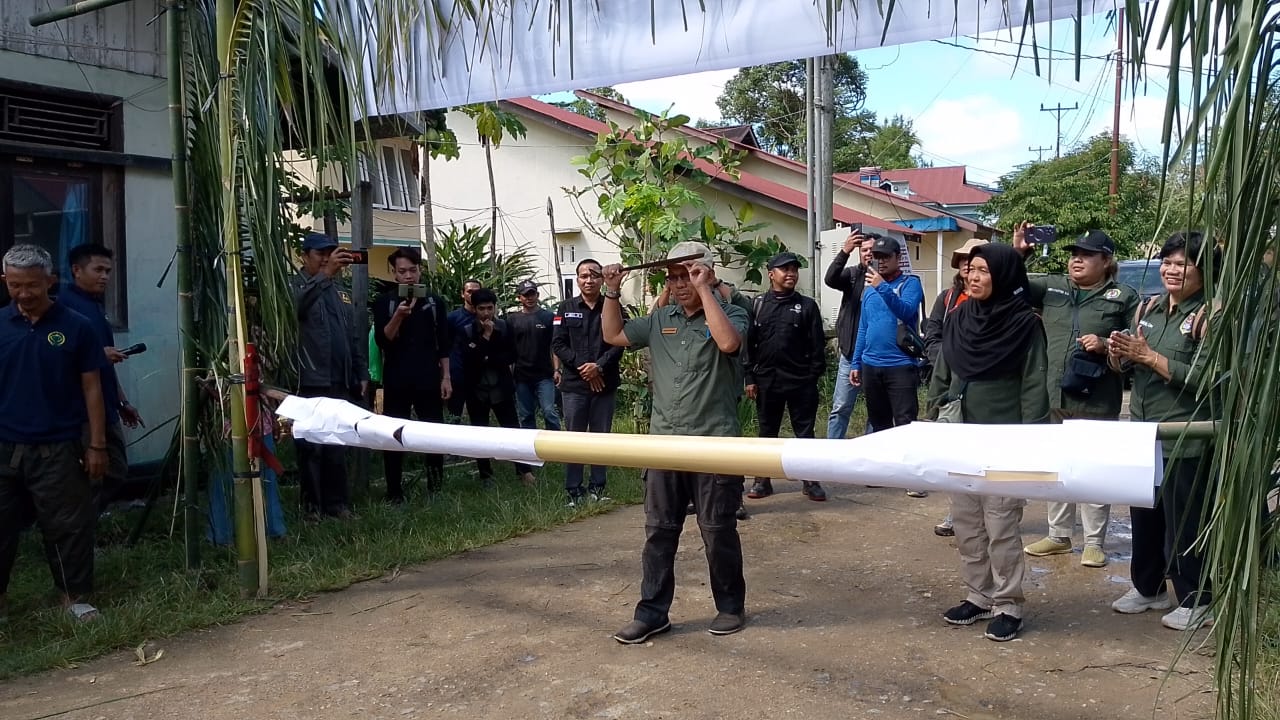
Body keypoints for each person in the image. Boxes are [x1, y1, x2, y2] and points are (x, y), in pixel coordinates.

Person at [601, 241, 751, 643]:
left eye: (689, 274)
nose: (681, 283)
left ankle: (730, 607)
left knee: (717, 529)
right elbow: (613, 334)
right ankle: (652, 613)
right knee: (659, 531)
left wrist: (705, 291)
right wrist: (612, 290)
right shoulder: (660, 319)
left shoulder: (732, 312)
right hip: (664, 443)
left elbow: (729, 344)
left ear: (708, 273)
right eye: (674, 277)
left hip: (715, 444)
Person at [927, 242, 1049, 642]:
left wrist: (1031, 439)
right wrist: (935, 409)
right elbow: (944, 368)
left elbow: (1034, 385)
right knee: (967, 524)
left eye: (982, 270)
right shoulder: (961, 315)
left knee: (1001, 525)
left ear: (1005, 276)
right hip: (962, 435)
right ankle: (978, 595)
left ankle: (1008, 603)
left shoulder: (1025, 324)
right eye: (969, 270)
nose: (972, 277)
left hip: (1005, 440)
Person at [1108, 231, 1219, 631]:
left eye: (1183, 264)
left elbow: (1208, 380)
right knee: (1145, 515)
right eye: (1167, 262)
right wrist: (1119, 354)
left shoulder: (1211, 315)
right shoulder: (1149, 308)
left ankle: (1197, 598)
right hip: (1143, 432)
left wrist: (1150, 357)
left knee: (1183, 521)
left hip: (1185, 437)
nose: (1172, 270)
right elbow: (1129, 369)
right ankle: (1148, 588)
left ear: (1205, 270)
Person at [1012, 227, 1140, 569]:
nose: (1076, 260)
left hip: (1096, 398)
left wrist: (1105, 341)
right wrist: (1019, 253)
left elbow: (1137, 338)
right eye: (1073, 254)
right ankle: (1058, 536)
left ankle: (1094, 542)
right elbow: (1012, 286)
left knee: (1094, 469)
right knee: (1057, 467)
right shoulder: (1052, 287)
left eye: (1086, 255)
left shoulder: (1123, 296)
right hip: (1051, 396)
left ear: (1106, 261)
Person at [0, 244, 109, 622]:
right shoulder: (0, 325)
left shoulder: (76, 325)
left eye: (32, 285)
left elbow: (92, 387)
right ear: (5, 282)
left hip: (59, 447)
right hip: (5, 445)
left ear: (51, 281)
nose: (24, 294)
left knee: (67, 527)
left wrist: (97, 444)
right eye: (15, 286)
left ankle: (74, 598)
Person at [57, 244, 143, 511]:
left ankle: (85, 520)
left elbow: (104, 364)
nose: (105, 276)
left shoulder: (95, 306)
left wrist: (122, 401)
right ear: (76, 270)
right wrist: (95, 353)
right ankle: (76, 531)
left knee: (116, 469)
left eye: (108, 270)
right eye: (98, 270)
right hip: (82, 410)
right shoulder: (63, 307)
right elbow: (56, 360)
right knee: (91, 474)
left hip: (107, 405)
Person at [289, 232, 365, 519]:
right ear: (304, 255)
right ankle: (312, 508)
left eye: (330, 253)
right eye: (320, 253)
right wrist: (324, 278)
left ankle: (337, 505)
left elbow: (352, 335)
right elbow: (295, 309)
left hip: (340, 380)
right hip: (309, 380)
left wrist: (360, 371)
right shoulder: (294, 285)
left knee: (336, 443)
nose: (326, 259)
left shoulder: (339, 290)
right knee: (311, 447)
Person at [744, 251, 828, 502]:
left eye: (794, 269)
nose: (791, 273)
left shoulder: (807, 306)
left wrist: (812, 375)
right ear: (771, 274)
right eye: (785, 269)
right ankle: (763, 480)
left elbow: (817, 345)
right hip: (767, 380)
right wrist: (749, 377)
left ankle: (810, 480)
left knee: (805, 433)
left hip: (801, 381)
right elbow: (749, 344)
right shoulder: (758, 304)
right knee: (767, 433)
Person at [373, 248, 452, 503]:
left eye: (413, 270)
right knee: (393, 433)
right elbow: (383, 341)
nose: (408, 276)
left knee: (433, 433)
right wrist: (398, 316)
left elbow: (444, 343)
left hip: (428, 376)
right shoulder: (385, 302)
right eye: (402, 271)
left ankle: (435, 487)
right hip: (397, 377)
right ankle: (394, 491)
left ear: (420, 270)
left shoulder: (433, 302)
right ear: (394, 274)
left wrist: (446, 377)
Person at [851, 235, 927, 497]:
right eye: (877, 257)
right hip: (872, 365)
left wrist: (882, 286)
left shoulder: (910, 283)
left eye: (885, 257)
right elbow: (864, 326)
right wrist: (856, 362)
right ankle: (885, 472)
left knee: (905, 423)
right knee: (879, 422)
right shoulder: (868, 287)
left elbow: (906, 311)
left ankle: (913, 477)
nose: (880, 262)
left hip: (901, 364)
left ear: (898, 258)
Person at [923, 238, 986, 537]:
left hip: (986, 392)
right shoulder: (948, 299)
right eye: (963, 260)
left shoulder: (998, 304)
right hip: (954, 388)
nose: (966, 266)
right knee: (957, 459)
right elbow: (932, 332)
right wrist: (946, 362)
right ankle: (956, 513)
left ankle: (991, 513)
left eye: (974, 261)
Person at [552, 259, 624, 506]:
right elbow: (558, 344)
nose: (589, 280)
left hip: (604, 383)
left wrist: (599, 367)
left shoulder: (612, 306)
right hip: (574, 386)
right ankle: (573, 490)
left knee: (600, 437)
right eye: (584, 276)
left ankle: (597, 488)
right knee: (575, 439)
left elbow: (619, 342)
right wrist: (585, 368)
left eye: (594, 275)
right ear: (578, 278)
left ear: (602, 280)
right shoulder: (565, 307)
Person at [456, 288, 537, 486]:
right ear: (474, 309)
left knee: (513, 431)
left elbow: (511, 356)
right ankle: (486, 475)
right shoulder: (466, 331)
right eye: (481, 309)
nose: (486, 313)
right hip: (476, 390)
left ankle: (524, 470)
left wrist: (486, 355)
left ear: (495, 308)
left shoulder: (505, 327)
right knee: (480, 435)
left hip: (501, 387)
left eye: (489, 308)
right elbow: (469, 360)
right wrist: (485, 338)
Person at [824, 230, 871, 440]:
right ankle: (832, 457)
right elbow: (830, 279)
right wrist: (845, 251)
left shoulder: (885, 279)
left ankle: (870, 455)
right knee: (840, 408)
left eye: (873, 250)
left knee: (876, 411)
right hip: (850, 353)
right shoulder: (852, 275)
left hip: (876, 357)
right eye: (865, 250)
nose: (869, 253)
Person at [507, 280, 562, 432]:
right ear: (519, 298)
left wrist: (557, 369)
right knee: (526, 415)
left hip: (544, 375)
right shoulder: (512, 320)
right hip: (521, 376)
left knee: (549, 411)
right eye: (525, 295)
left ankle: (556, 445)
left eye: (532, 294)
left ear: (537, 295)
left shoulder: (549, 317)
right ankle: (529, 451)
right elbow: (509, 350)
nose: (529, 298)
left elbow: (555, 345)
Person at [446, 279, 482, 418]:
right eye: (469, 292)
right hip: (457, 375)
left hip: (479, 379)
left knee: (479, 421)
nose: (473, 295)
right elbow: (444, 346)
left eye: (477, 292)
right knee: (454, 417)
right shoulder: (452, 318)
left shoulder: (486, 316)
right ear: (462, 294)